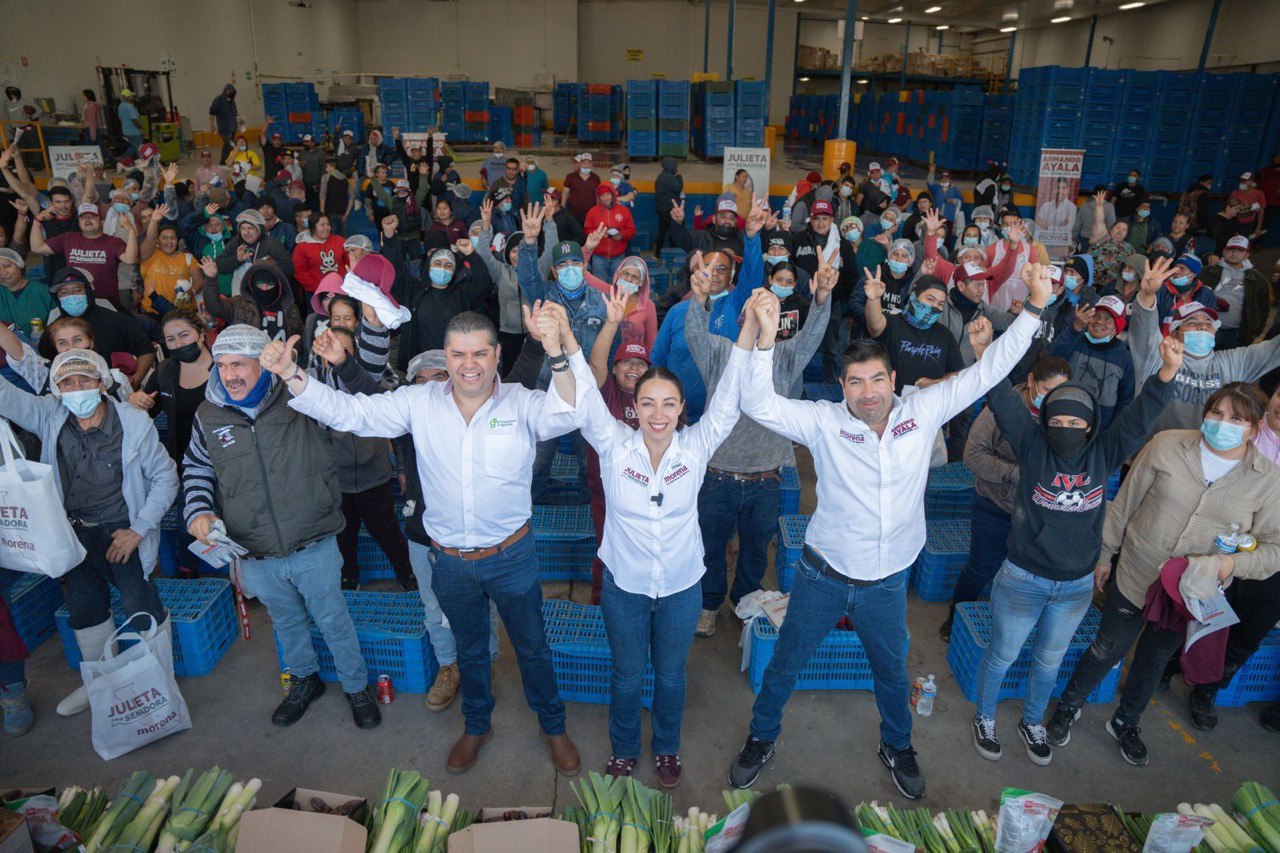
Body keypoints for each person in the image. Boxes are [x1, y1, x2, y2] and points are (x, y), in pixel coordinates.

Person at [727, 262, 1055, 798]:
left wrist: (1035, 311)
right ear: (843, 386)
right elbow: (757, 403)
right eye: (855, 381)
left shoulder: (922, 413)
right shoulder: (823, 421)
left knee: (892, 672)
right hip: (822, 576)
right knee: (785, 665)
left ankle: (897, 744)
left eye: (877, 378)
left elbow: (987, 372)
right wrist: (764, 343)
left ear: (893, 381)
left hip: (885, 584)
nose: (868, 391)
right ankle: (762, 737)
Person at [268, 306, 585, 775]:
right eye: (458, 354)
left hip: (511, 556)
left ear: (498, 355)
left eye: (480, 353)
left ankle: (553, 726)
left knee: (533, 645)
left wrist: (557, 350)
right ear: (447, 357)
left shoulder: (522, 402)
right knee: (470, 649)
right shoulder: (418, 403)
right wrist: (293, 374)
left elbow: (573, 410)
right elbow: (352, 412)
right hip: (451, 562)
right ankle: (478, 724)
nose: (469, 364)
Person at [551, 283, 755, 787]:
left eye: (668, 404)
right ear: (635, 408)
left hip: (682, 587)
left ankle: (666, 747)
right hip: (625, 587)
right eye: (648, 404)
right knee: (626, 677)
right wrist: (566, 344)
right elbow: (586, 400)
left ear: (682, 409)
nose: (658, 414)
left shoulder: (696, 447)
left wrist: (750, 330)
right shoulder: (614, 445)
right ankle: (624, 749)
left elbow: (728, 397)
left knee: (669, 676)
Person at [968, 333, 1180, 767]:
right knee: (1003, 655)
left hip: (1075, 586)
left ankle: (1032, 721)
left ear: (1090, 425)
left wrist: (1167, 374)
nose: (1065, 428)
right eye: (1057, 421)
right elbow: (1003, 402)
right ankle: (985, 717)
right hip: (1023, 577)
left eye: (1075, 422)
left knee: (1049, 662)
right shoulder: (1031, 445)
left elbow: (1139, 418)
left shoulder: (1104, 452)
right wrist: (985, 356)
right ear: (1045, 421)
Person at [1046, 383, 1280, 765]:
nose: (1222, 423)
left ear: (1255, 428)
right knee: (1108, 647)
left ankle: (1126, 720)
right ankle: (1069, 706)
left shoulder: (1268, 480)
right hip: (1137, 571)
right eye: (1216, 413)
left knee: (1155, 658)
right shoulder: (1167, 445)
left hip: (1191, 593)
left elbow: (1274, 550)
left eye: (1236, 418)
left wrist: (1229, 565)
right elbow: (1125, 502)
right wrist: (1105, 554)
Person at [182, 325, 380, 729]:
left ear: (264, 365)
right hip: (253, 548)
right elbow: (197, 468)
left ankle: (356, 686)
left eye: (239, 364)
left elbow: (356, 397)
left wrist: (340, 350)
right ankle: (304, 681)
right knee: (286, 621)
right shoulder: (208, 415)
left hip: (313, 540)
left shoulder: (299, 395)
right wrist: (198, 512)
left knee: (333, 618)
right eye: (221, 366)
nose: (229, 375)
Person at [0, 348, 177, 717]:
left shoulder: (132, 422)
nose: (76, 388)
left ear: (101, 383)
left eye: (85, 380)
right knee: (85, 608)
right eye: (67, 382)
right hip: (73, 531)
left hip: (121, 531)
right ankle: (101, 683)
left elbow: (165, 477)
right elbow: (7, 397)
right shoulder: (50, 414)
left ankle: (157, 683)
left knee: (139, 604)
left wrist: (138, 530)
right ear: (56, 388)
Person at [690, 251, 834, 638]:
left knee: (755, 550)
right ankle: (707, 604)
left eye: (763, 316)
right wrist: (700, 299)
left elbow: (814, 337)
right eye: (750, 316)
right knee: (710, 547)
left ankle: (744, 601)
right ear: (739, 321)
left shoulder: (784, 356)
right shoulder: (720, 351)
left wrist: (821, 298)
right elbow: (694, 334)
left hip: (766, 477)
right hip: (718, 475)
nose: (755, 321)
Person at [939, 356, 1073, 642]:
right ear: (1031, 383)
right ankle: (955, 617)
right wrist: (1017, 474)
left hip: (1037, 513)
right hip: (994, 506)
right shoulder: (1000, 409)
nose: (1053, 398)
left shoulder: (1062, 415)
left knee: (1023, 574)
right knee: (981, 566)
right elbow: (972, 455)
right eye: (1047, 389)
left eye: (1060, 392)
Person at [306, 323, 416, 593]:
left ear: (354, 354)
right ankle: (348, 576)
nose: (333, 355)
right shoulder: (312, 390)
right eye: (327, 349)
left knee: (387, 531)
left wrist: (402, 470)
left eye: (343, 350)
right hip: (337, 480)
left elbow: (398, 432)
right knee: (344, 534)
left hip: (374, 477)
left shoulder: (371, 384)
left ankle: (408, 575)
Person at [1130, 257, 1280, 433]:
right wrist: (1147, 295)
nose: (1203, 326)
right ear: (1175, 332)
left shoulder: (1230, 362)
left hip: (1201, 455)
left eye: (1209, 324)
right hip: (1152, 452)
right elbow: (1144, 325)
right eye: (1192, 321)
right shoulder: (1158, 356)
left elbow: (1273, 351)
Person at [128, 310, 213, 578]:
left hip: (228, 460)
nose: (178, 343)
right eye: (171, 339)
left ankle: (240, 576)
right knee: (187, 522)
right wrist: (135, 402)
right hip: (186, 463)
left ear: (201, 335)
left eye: (184, 335)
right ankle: (190, 572)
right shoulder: (165, 371)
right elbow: (145, 413)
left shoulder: (224, 367)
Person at [42, 267, 153, 389]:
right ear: (56, 297)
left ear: (88, 291)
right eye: (64, 292)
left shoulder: (116, 320)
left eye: (77, 290)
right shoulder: (53, 330)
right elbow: (43, 365)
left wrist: (135, 381)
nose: (71, 296)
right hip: (71, 396)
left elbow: (146, 350)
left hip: (115, 392)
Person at [864, 273, 964, 394]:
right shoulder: (892, 323)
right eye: (930, 299)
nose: (934, 306)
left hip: (927, 406)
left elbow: (958, 374)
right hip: (889, 403)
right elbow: (874, 324)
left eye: (940, 304)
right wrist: (873, 299)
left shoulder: (945, 335)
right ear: (914, 296)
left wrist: (934, 383)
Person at [1049, 295, 1135, 429]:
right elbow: (1051, 360)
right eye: (1096, 316)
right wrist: (1074, 329)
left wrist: (1111, 430)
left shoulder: (1124, 358)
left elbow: (1126, 400)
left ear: (1117, 326)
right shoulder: (1074, 339)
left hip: (1100, 430)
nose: (1100, 322)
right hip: (1061, 420)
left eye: (1108, 319)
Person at [29, 203, 137, 303]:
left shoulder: (113, 242)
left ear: (102, 222)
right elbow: (37, 247)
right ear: (79, 222)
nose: (87, 220)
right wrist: (36, 221)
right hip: (78, 301)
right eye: (83, 217)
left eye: (92, 217)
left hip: (107, 300)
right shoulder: (68, 238)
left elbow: (130, 259)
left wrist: (131, 230)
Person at [202, 261, 303, 342]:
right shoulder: (238, 303)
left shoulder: (290, 307)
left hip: (281, 363)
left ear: (279, 285)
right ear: (251, 284)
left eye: (270, 284)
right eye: (259, 284)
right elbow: (214, 307)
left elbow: (298, 337)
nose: (264, 288)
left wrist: (293, 353)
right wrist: (211, 279)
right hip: (249, 364)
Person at [1200, 235, 1271, 350]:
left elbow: (1264, 309)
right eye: (1231, 249)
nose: (1234, 253)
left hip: (1236, 335)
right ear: (1224, 251)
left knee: (1229, 367)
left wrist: (1254, 334)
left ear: (1247, 254)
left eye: (1240, 250)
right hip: (1205, 329)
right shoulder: (1207, 272)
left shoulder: (1257, 279)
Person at [583, 183, 636, 282]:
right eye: (602, 195)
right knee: (599, 286)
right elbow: (587, 230)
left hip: (618, 256)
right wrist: (600, 233)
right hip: (599, 257)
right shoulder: (592, 212)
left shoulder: (624, 211)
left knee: (616, 285)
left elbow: (632, 230)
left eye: (607, 194)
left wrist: (621, 235)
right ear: (599, 197)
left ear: (613, 194)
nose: (605, 197)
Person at [292, 213, 348, 299]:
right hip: (316, 293)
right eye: (322, 225)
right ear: (313, 228)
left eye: (328, 224)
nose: (326, 227)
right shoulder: (302, 247)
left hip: (342, 290)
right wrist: (318, 288)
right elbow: (299, 271)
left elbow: (349, 262)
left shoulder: (340, 241)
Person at [0, 246, 52, 333]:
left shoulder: (42, 291)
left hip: (40, 345)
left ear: (19, 265)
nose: (3, 273)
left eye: (7, 266)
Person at [652, 158, 683, 256]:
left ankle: (657, 254)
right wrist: (679, 176)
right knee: (673, 231)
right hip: (669, 209)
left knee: (662, 231)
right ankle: (672, 254)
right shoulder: (669, 177)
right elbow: (678, 187)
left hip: (661, 209)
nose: (678, 168)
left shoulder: (661, 177)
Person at [562, 152, 601, 226]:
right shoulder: (570, 177)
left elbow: (597, 195)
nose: (586, 165)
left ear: (592, 164)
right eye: (584, 163)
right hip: (573, 214)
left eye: (588, 163)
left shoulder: (596, 178)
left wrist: (598, 211)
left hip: (591, 214)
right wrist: (562, 210)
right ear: (580, 164)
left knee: (589, 235)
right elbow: (565, 194)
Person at [1230, 172, 1267, 240]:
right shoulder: (1235, 193)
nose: (1242, 183)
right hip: (1234, 223)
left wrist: (1258, 227)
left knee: (1244, 242)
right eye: (1241, 181)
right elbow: (1229, 209)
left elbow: (1261, 211)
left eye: (1245, 181)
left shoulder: (1259, 194)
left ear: (1252, 183)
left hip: (1248, 224)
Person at [208, 84, 239, 164]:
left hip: (232, 127)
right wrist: (212, 126)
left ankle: (226, 161)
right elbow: (212, 113)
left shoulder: (232, 101)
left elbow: (235, 112)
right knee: (229, 144)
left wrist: (239, 121)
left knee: (228, 144)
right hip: (223, 127)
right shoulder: (218, 100)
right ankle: (225, 162)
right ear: (225, 91)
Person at [116, 90, 143, 165]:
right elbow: (134, 119)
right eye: (132, 96)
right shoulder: (129, 107)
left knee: (133, 148)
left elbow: (120, 118)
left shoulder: (120, 106)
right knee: (139, 149)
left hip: (126, 131)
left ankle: (121, 159)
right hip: (134, 131)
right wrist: (140, 128)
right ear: (129, 97)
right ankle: (141, 164)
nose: (133, 98)